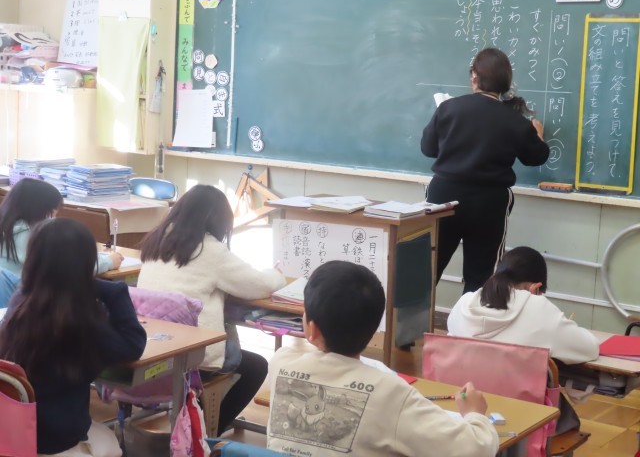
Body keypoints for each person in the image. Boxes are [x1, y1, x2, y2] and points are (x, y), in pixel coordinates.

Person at [266, 260, 498, 457]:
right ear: (374, 326)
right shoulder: (391, 392)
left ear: (312, 329)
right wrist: (475, 414)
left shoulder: (281, 363)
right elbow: (476, 449)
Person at [137, 184, 286, 434]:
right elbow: (260, 285)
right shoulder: (210, 250)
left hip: (153, 351)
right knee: (257, 366)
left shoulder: (157, 241)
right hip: (192, 358)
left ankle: (197, 420)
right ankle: (206, 433)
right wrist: (276, 273)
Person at [0, 218, 146, 456]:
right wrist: (115, 291)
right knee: (113, 443)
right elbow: (134, 344)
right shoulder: (80, 320)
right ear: (86, 263)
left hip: (13, 434)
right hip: (56, 442)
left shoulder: (19, 303)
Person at [421, 47, 550, 294]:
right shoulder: (515, 120)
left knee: (425, 269)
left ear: (474, 77)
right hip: (488, 203)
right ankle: (471, 318)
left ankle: (409, 320)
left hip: (442, 198)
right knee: (480, 278)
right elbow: (536, 157)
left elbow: (428, 148)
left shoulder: (449, 108)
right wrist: (539, 135)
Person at [447, 246, 599, 365]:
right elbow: (590, 348)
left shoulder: (463, 303)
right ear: (536, 288)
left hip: (461, 393)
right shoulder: (540, 310)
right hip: (513, 396)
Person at [0, 178, 123, 275]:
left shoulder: (7, 229)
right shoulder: (33, 236)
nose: (54, 218)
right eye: (53, 212)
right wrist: (109, 262)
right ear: (41, 210)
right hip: (23, 296)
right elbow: (66, 271)